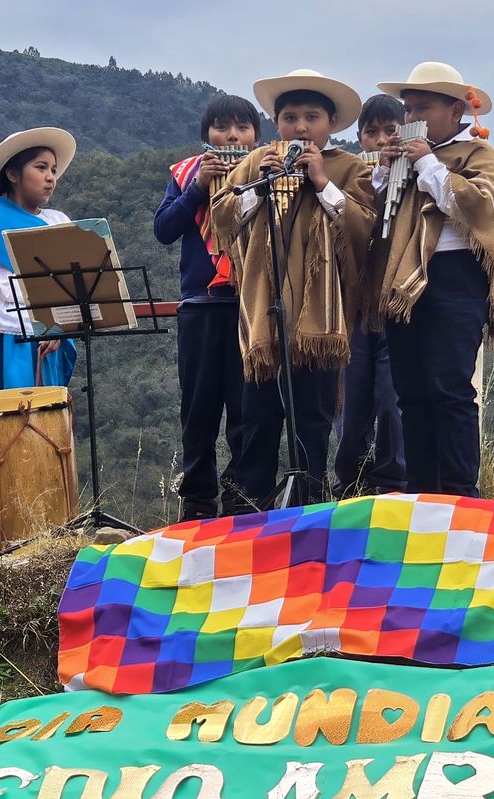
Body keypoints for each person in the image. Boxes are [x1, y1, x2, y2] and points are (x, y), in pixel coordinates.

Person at [211, 69, 375, 510]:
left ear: (332, 122)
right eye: (289, 118)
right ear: (276, 122)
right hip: (264, 316)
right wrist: (258, 187)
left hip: (320, 320)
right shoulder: (256, 162)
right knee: (257, 417)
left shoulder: (349, 168)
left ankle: (310, 504)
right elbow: (221, 218)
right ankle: (248, 506)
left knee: (312, 419)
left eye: (311, 117)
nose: (300, 127)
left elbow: (364, 231)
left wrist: (322, 183)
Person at [368, 62, 494, 497]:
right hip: (402, 283)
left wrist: (428, 163)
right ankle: (421, 492)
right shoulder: (402, 159)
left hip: (456, 277)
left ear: (456, 111)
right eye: (408, 109)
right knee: (410, 393)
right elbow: (376, 219)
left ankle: (459, 493)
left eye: (423, 107)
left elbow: (479, 212)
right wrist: (383, 172)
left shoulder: (477, 154)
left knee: (450, 389)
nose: (411, 117)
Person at [154, 94, 260, 521]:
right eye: (222, 127)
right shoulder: (185, 176)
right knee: (198, 408)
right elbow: (164, 229)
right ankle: (198, 500)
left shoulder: (267, 173)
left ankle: (240, 496)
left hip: (250, 305)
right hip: (199, 306)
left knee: (245, 408)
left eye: (242, 128)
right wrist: (198, 189)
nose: (232, 136)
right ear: (206, 136)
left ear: (256, 137)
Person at [0, 127, 77, 395]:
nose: (51, 177)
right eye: (41, 168)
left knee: (41, 415)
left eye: (54, 170)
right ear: (12, 174)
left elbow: (69, 286)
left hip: (44, 340)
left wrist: (60, 330)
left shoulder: (58, 222)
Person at [334, 94, 407, 498]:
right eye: (371, 132)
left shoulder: (418, 169)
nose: (381, 141)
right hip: (357, 303)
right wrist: (378, 176)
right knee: (353, 393)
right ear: (360, 138)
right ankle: (351, 480)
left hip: (396, 300)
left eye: (390, 131)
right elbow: (352, 221)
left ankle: (393, 480)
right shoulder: (355, 175)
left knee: (392, 396)